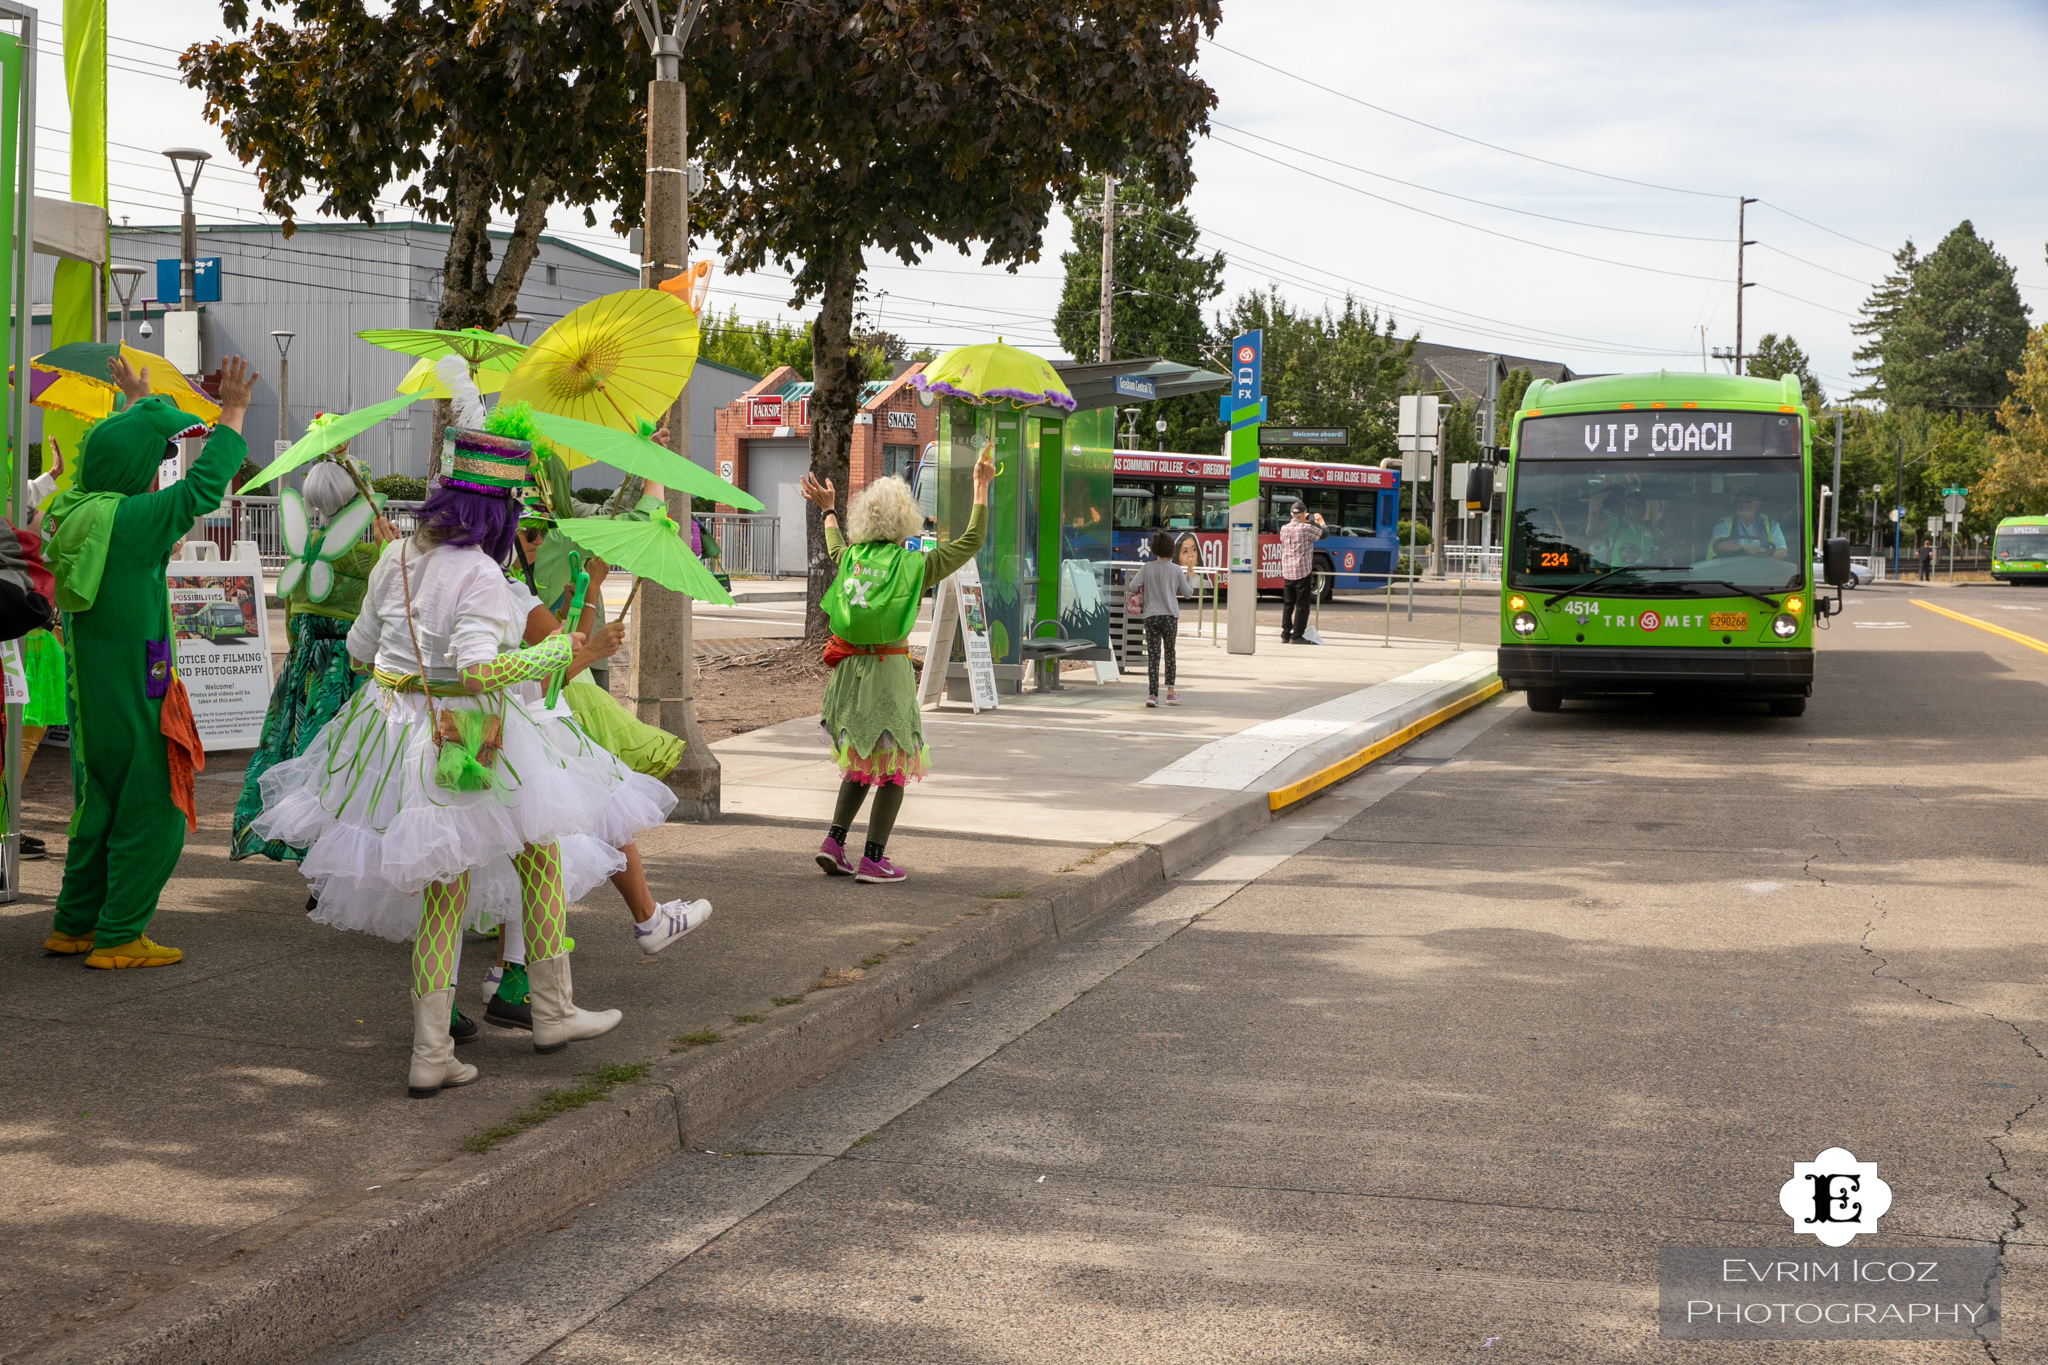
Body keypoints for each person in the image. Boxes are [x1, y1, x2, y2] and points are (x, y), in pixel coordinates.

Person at [251, 422, 670, 1096]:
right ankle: (543, 1013)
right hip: (465, 736)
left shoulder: (396, 559)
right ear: (497, 510)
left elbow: (360, 653)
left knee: (491, 873)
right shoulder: (478, 571)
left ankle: (441, 1049)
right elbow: (478, 673)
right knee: (523, 856)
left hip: (390, 735)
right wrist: (557, 653)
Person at [40, 355, 255, 968]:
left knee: (98, 805)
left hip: (94, 699)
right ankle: (119, 937)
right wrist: (231, 415)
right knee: (153, 808)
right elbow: (202, 489)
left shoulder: (75, 508)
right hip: (141, 687)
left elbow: (111, 457)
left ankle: (74, 924)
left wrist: (133, 406)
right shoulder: (134, 520)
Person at [801, 445, 994, 883]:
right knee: (895, 763)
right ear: (905, 519)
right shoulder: (914, 565)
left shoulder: (851, 558)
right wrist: (980, 489)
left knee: (861, 759)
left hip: (849, 672)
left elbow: (834, 545)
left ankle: (834, 841)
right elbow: (971, 542)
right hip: (889, 671)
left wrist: (829, 509)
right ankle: (874, 857)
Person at [231, 460, 400, 864]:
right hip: (351, 675)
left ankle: (294, 842)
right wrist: (389, 549)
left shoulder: (300, 552)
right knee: (353, 769)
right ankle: (338, 862)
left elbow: (292, 624)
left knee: (296, 760)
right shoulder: (370, 558)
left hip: (302, 673)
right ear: (360, 500)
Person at [1135, 530, 1193, 706]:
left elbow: (1132, 585)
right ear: (1171, 550)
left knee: (1153, 655)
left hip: (1151, 616)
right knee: (1170, 653)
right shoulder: (1176, 570)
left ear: (1153, 549)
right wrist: (1189, 577)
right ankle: (1170, 692)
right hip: (1170, 617)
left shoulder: (1146, 568)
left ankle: (1152, 695)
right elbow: (1188, 594)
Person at [1278, 499, 1325, 644]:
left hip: (1287, 571)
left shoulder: (1284, 528)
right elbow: (1325, 534)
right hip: (1302, 572)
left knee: (1288, 603)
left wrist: (1303, 519)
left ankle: (1285, 633)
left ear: (1291, 514)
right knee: (1302, 605)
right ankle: (1297, 635)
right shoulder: (1306, 529)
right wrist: (1321, 522)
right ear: (1304, 514)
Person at [1709, 489, 1787, 560]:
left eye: (1748, 502)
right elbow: (1719, 545)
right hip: (1730, 569)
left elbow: (1782, 551)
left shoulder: (1771, 524)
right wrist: (1742, 548)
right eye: (1740, 501)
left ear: (1758, 504)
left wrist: (1765, 553)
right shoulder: (1725, 523)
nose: (1743, 505)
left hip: (1763, 570)